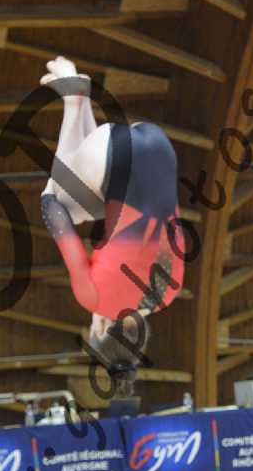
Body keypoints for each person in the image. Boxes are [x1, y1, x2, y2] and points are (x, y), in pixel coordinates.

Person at [38, 56, 185, 394]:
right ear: (101, 330)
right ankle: (74, 98)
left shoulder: (169, 293)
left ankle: (79, 98)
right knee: (59, 199)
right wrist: (49, 192)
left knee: (92, 208)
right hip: (111, 156)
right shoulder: (94, 299)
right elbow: (53, 214)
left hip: (157, 145)